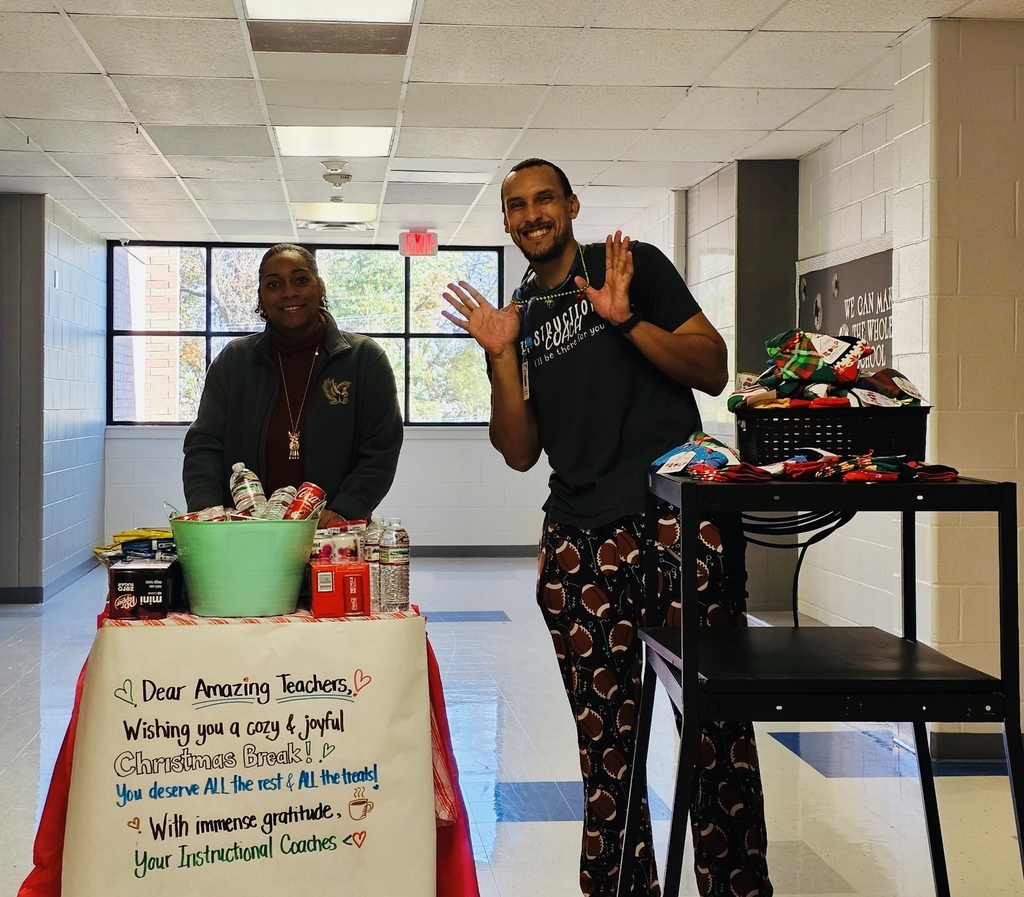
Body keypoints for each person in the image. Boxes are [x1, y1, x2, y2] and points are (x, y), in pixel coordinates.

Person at [442, 159, 772, 897]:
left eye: (544, 199)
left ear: (571, 205)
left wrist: (624, 319)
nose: (532, 214)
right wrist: (500, 357)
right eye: (517, 205)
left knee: (716, 734)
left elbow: (712, 367)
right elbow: (520, 451)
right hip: (579, 543)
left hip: (677, 526)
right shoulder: (516, 315)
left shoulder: (632, 266)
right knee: (606, 752)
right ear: (506, 223)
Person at [183, 243, 402, 525]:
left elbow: (381, 448)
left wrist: (347, 508)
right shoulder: (234, 361)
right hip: (244, 533)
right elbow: (204, 445)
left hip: (334, 531)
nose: (289, 292)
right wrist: (207, 512)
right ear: (261, 298)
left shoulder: (364, 359)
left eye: (300, 279)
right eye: (273, 284)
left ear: (320, 287)